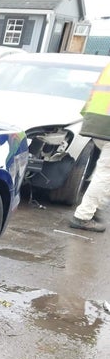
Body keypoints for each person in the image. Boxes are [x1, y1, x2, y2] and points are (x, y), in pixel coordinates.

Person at [69, 62, 110, 233]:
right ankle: (83, 216)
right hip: (107, 123)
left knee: (104, 170)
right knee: (106, 172)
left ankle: (98, 207)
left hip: (96, 121)